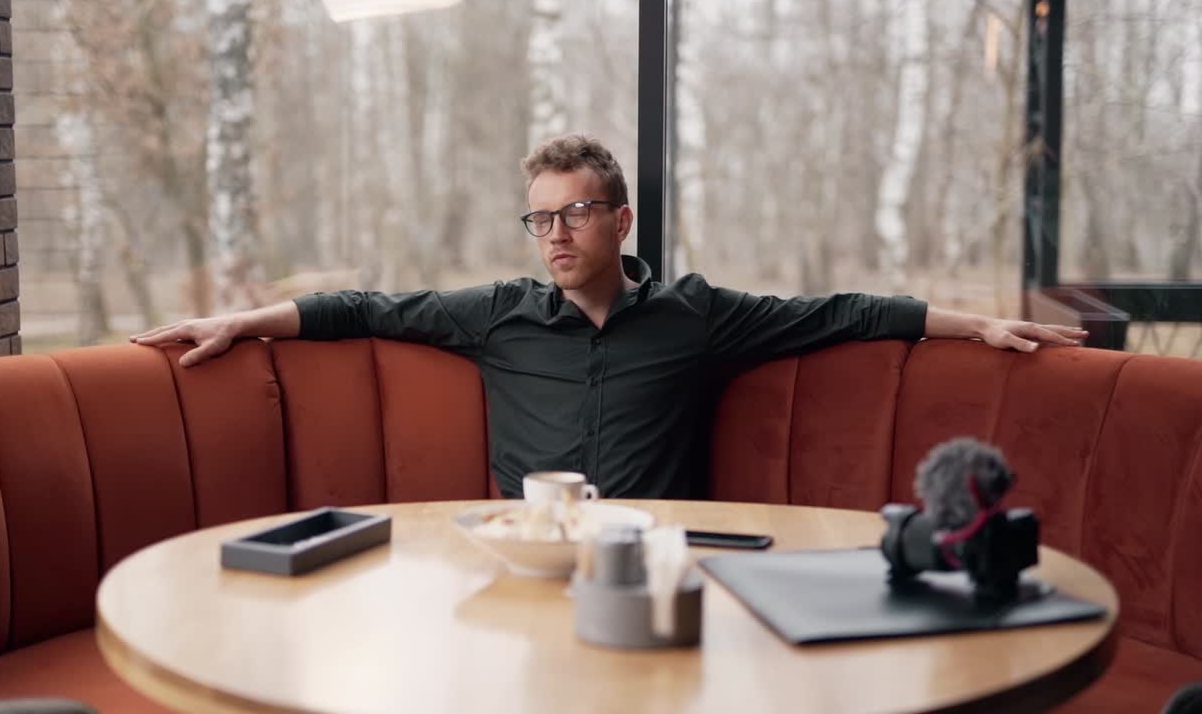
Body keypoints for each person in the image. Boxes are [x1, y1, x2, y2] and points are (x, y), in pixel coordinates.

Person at [132, 134, 1088, 499]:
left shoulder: (694, 315)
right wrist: (241, 323)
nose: (554, 231)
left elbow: (841, 313)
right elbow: (360, 307)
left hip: (657, 560)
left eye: (575, 212)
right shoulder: (495, 315)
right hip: (523, 560)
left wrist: (978, 326)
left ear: (619, 219)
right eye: (540, 216)